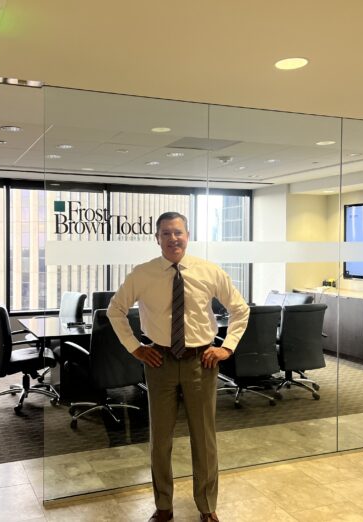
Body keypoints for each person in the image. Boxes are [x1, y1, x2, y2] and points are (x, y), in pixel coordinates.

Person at [107, 211, 250, 522]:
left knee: (205, 438)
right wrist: (136, 348)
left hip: (202, 361)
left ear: (188, 236)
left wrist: (227, 347)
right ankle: (164, 506)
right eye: (166, 233)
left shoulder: (208, 271)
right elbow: (115, 310)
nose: (173, 238)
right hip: (159, 362)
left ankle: (207, 506)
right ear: (157, 238)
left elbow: (240, 309)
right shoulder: (142, 274)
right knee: (160, 439)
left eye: (178, 233)